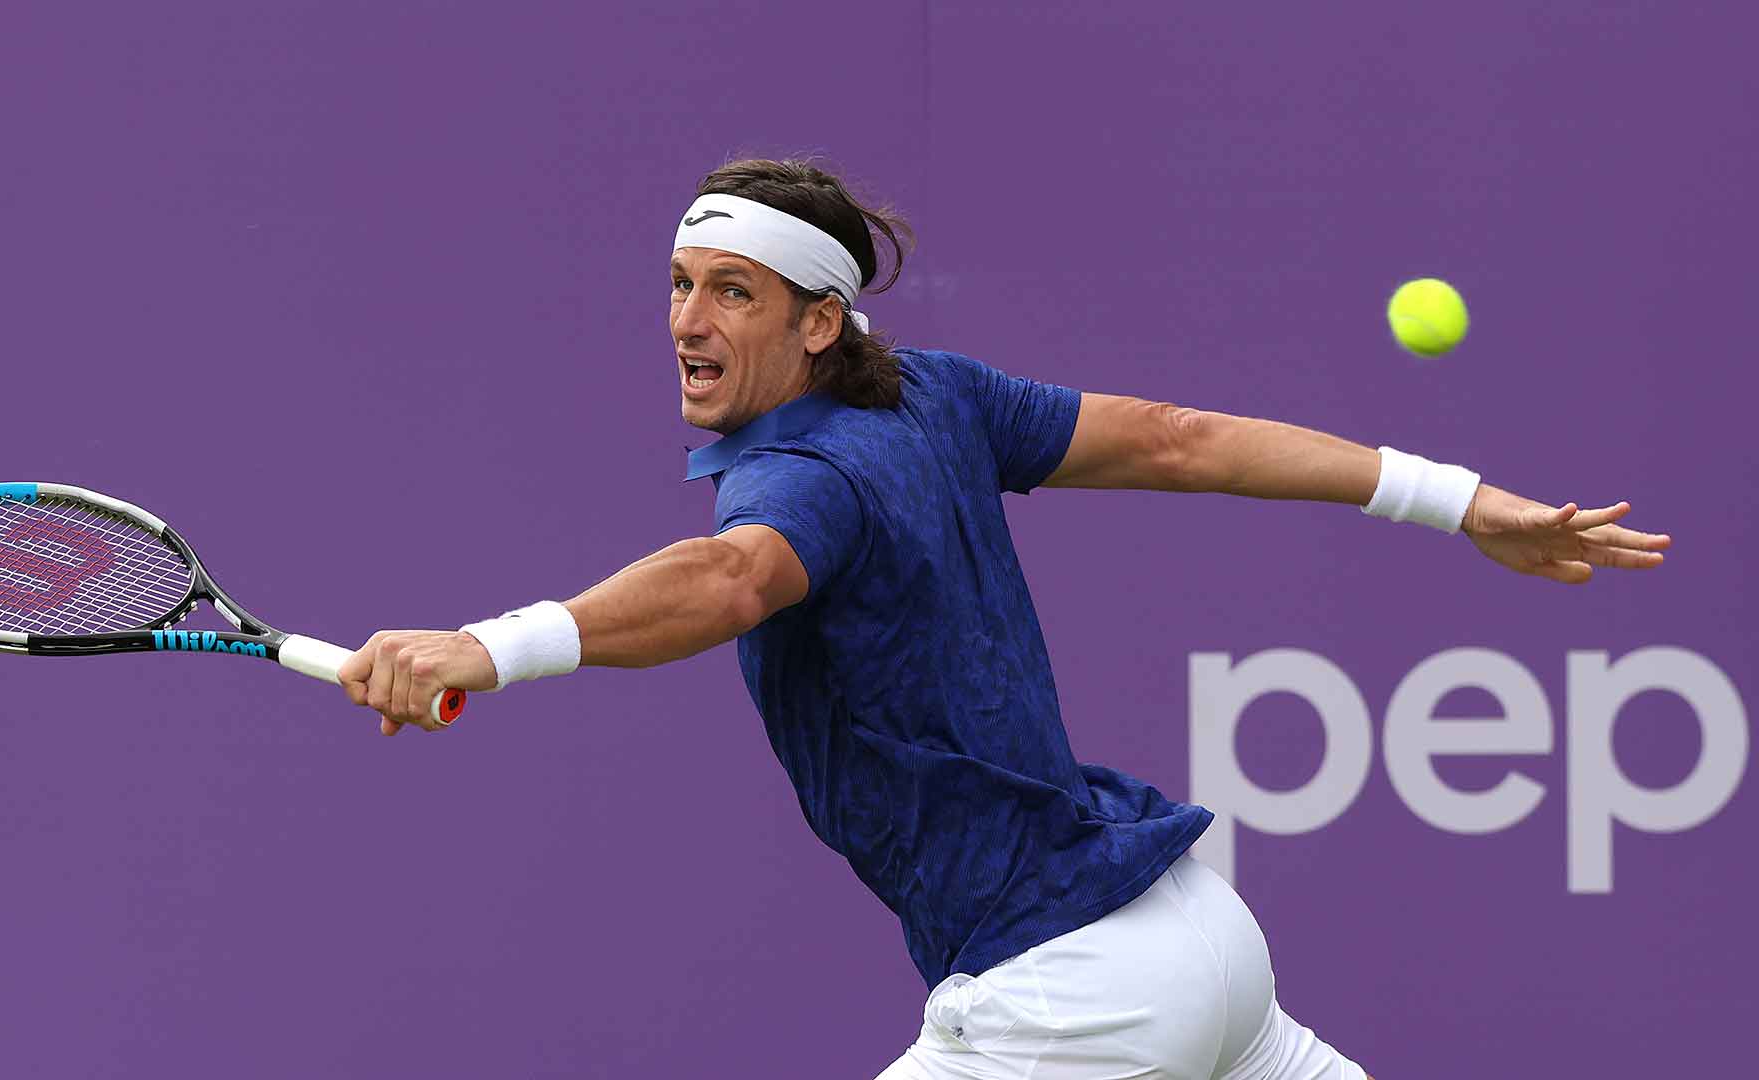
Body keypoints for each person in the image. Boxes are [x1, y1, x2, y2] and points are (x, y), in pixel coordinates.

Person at [338, 158, 1669, 1080]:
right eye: (681, 283)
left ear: (817, 321)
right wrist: (1465, 501)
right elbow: (1180, 441)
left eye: (732, 293)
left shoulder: (805, 478)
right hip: (1197, 945)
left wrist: (488, 647)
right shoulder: (935, 395)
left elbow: (730, 581)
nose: (689, 320)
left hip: (1071, 1001)